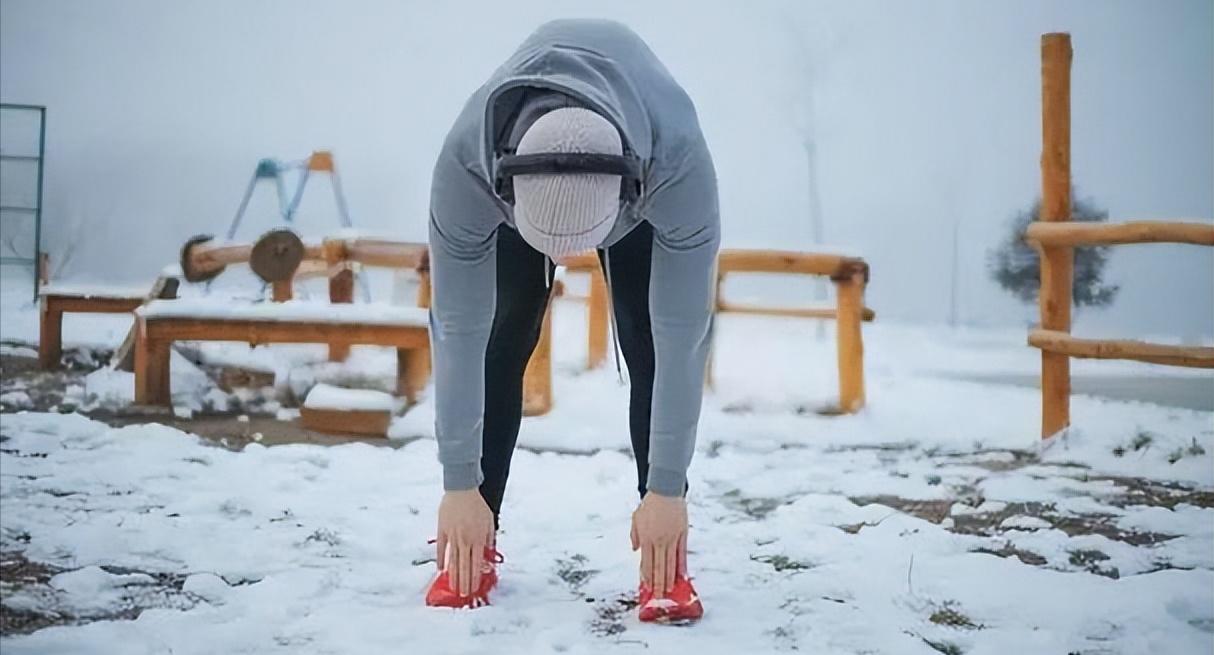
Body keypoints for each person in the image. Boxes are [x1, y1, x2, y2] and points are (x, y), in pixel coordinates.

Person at [424, 18, 719, 623]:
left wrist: (667, 487)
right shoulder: (468, 168)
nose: (564, 260)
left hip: (637, 178)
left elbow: (684, 337)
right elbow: (457, 328)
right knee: (501, 336)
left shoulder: (678, 164)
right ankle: (474, 537)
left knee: (650, 343)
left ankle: (665, 552)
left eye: (576, 243)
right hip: (518, 185)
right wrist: (459, 483)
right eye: (551, 245)